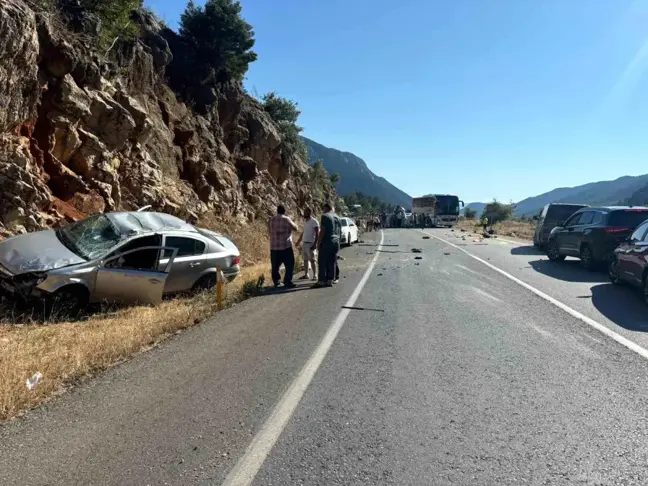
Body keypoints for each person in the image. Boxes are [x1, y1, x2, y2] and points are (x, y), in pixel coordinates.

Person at [269, 205, 298, 289]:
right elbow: (295, 228)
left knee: (275, 266)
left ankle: (277, 282)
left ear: (277, 211)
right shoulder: (286, 219)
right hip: (285, 247)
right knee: (290, 265)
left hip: (274, 247)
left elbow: (269, 231)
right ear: (284, 211)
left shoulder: (271, 219)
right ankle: (287, 281)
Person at [313, 202, 340, 288]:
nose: (322, 211)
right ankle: (329, 280)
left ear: (326, 208)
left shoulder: (325, 216)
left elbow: (323, 230)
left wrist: (318, 242)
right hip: (336, 242)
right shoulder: (337, 217)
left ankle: (321, 281)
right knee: (332, 261)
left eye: (323, 209)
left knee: (322, 261)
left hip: (327, 242)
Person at [295, 207, 319, 280]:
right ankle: (306, 274)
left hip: (311, 243)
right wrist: (299, 241)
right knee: (305, 260)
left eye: (305, 212)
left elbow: (317, 233)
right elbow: (303, 232)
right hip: (304, 243)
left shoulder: (314, 221)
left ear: (309, 212)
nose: (304, 214)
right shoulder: (305, 221)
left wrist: (315, 244)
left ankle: (315, 275)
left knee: (312, 260)